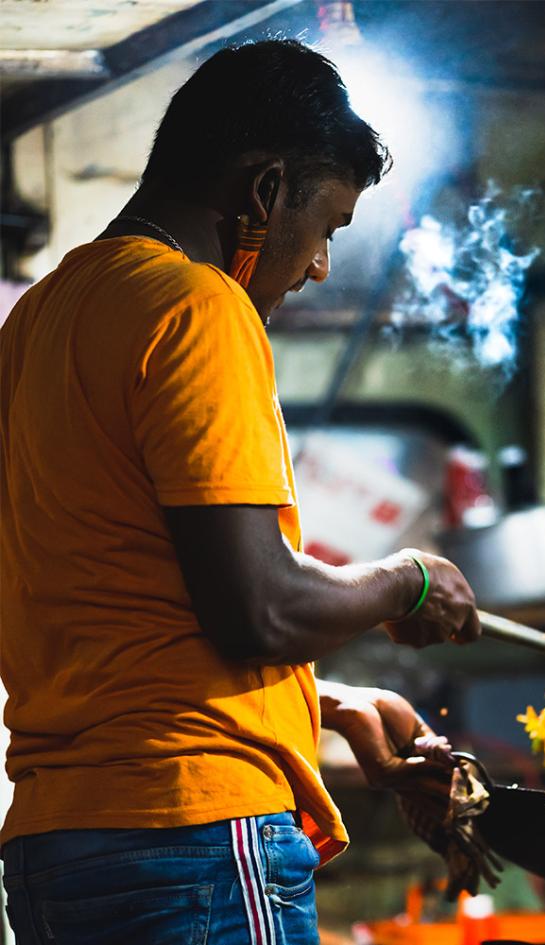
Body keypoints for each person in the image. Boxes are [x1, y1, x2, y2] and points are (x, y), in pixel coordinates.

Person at [0, 39, 483, 944]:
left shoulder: (38, 317)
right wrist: (410, 579)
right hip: (194, 838)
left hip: (58, 846)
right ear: (264, 191)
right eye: (329, 226)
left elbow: (125, 604)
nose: (318, 266)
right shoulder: (196, 306)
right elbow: (255, 607)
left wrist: (329, 704)